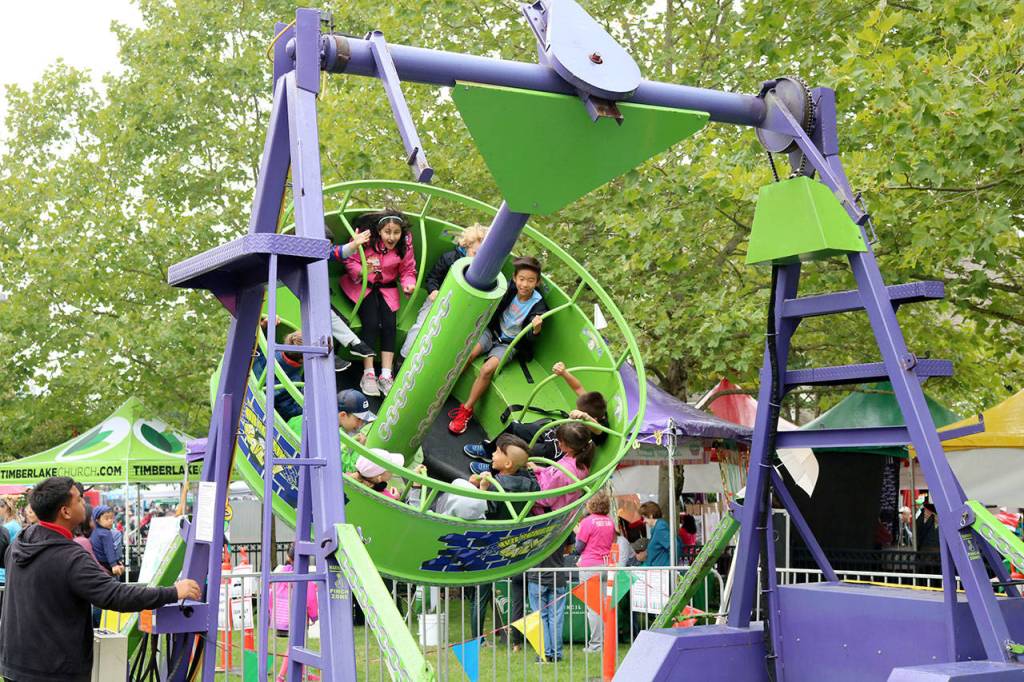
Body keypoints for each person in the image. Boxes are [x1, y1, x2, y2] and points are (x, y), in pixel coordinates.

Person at [0, 476, 200, 682]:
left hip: (14, 665)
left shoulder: (19, 545)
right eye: (79, 499)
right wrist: (173, 592)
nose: (85, 504)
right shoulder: (69, 556)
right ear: (65, 511)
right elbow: (115, 595)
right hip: (53, 671)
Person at [448, 256, 548, 435]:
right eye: (522, 279)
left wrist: (537, 329)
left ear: (537, 282)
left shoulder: (538, 306)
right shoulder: (509, 289)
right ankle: (446, 388)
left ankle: (466, 410)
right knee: (468, 354)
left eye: (531, 281)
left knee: (487, 369)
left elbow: (530, 340)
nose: (525, 284)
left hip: (509, 344)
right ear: (515, 278)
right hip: (492, 331)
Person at [337, 210, 417, 397]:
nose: (392, 237)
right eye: (387, 232)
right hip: (363, 285)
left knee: (389, 325)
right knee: (371, 322)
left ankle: (386, 375)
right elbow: (350, 260)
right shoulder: (365, 239)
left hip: (387, 289)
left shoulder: (404, 246)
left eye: (396, 232)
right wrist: (363, 271)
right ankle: (369, 373)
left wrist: (408, 284)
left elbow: (408, 270)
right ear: (379, 231)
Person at [464, 361, 608, 464]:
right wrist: (564, 373)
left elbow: (599, 430)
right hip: (552, 431)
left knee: (521, 450)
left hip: (556, 448)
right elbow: (578, 388)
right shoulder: (593, 405)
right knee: (515, 427)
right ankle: (488, 450)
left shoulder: (600, 427)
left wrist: (585, 417)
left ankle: (491, 470)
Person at [400, 223, 488, 357]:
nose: (476, 259)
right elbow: (432, 277)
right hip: (439, 299)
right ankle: (403, 357)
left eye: (481, 257)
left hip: (460, 308)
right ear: (467, 246)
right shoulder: (449, 258)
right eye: (474, 253)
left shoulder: (482, 271)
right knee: (421, 327)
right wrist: (433, 290)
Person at [270, 543, 319, 682]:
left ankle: (303, 675)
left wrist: (271, 613)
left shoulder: (281, 574)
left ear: (288, 556)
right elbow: (310, 598)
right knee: (295, 646)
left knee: (296, 646)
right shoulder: (303, 575)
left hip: (281, 617)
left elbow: (271, 594)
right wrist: (314, 615)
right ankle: (280, 677)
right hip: (297, 618)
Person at [574, 492, 615, 653]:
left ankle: (596, 645)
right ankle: (606, 641)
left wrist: (577, 532)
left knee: (593, 608)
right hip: (606, 565)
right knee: (604, 605)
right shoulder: (610, 522)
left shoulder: (587, 522)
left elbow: (579, 547)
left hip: (590, 566)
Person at [528, 422, 596, 514]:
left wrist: (525, 495)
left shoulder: (564, 471)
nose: (558, 443)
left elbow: (546, 500)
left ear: (570, 447)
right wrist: (538, 469)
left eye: (560, 441)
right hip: (546, 487)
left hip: (542, 503)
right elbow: (553, 473)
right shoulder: (579, 460)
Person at [469, 434, 539, 520]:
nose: (493, 454)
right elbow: (536, 487)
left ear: (507, 464)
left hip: (494, 523)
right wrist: (530, 471)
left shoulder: (496, 486)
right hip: (513, 517)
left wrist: (482, 487)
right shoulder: (530, 483)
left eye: (497, 452)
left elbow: (483, 510)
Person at [252, 329, 307, 421]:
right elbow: (288, 413)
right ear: (302, 360)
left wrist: (263, 326)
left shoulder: (266, 347)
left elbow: (251, 335)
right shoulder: (294, 383)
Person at [90, 505, 124, 577]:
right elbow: (109, 550)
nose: (110, 521)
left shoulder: (94, 531)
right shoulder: (106, 533)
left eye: (111, 518)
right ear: (97, 520)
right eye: (106, 518)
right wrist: (114, 564)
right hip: (107, 564)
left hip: (97, 563)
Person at [638, 502, 671, 567]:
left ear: (651, 515)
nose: (644, 521)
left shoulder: (660, 527)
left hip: (660, 571)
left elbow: (674, 546)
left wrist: (668, 566)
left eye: (644, 517)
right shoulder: (657, 528)